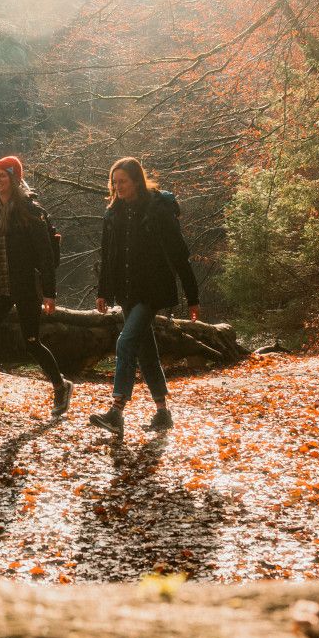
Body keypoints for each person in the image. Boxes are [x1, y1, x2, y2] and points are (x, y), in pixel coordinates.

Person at [89, 157, 198, 435]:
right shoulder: (112, 213)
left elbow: (179, 255)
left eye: (122, 181)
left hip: (152, 291)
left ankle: (116, 411)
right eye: (114, 182)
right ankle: (163, 413)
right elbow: (108, 255)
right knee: (145, 351)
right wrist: (103, 291)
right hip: (126, 291)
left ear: (136, 180)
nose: (118, 186)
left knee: (125, 342)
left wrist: (193, 296)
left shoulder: (157, 210)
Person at [0, 155, 71, 420]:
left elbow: (45, 255)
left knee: (31, 342)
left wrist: (49, 292)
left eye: (4, 175)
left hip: (24, 287)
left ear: (15, 179)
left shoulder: (31, 211)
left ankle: (60, 386)